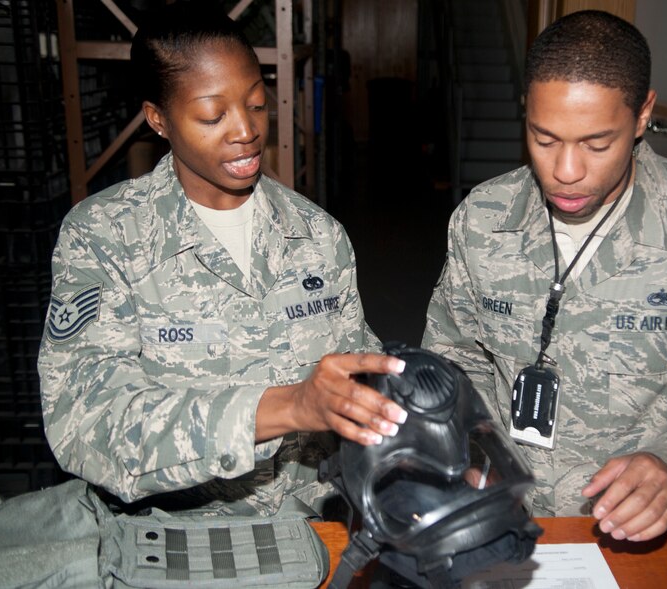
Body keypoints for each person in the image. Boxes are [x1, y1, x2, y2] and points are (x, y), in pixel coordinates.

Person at [423, 10, 667, 542]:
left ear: (643, 114)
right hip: (504, 526)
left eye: (597, 144)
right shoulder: (483, 219)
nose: (566, 171)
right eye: (544, 138)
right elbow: (454, 359)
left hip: (641, 538)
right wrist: (471, 450)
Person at [36, 1, 406, 517]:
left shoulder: (317, 234)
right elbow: (87, 424)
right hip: (183, 534)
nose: (245, 130)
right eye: (213, 115)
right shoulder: (104, 237)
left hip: (313, 523)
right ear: (158, 119)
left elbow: (356, 375)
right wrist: (285, 407)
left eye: (256, 104)